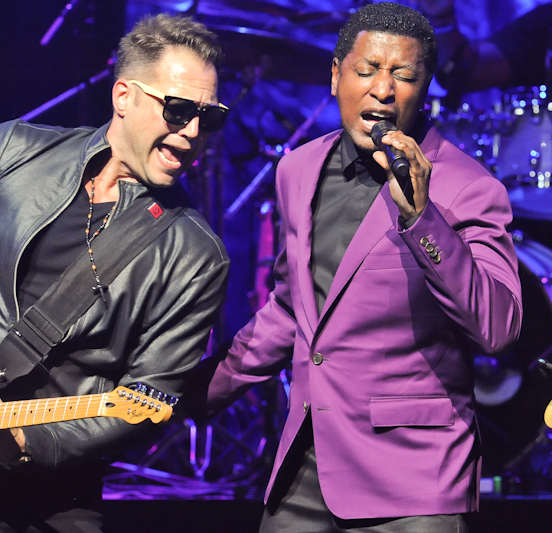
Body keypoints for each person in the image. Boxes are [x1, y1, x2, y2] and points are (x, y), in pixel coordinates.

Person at [200, 2, 522, 531]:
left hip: (415, 481)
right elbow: (292, 309)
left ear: (424, 88)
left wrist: (422, 217)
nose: (382, 89)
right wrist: (201, 391)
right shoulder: (298, 169)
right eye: (367, 70)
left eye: (403, 75)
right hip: (308, 466)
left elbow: (497, 326)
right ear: (336, 77)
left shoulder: (469, 187)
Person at [0, 14, 230, 532]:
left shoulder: (195, 255)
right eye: (177, 110)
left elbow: (150, 399)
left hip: (52, 497)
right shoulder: (13, 151)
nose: (192, 132)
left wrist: (24, 442)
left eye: (208, 118)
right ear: (123, 97)